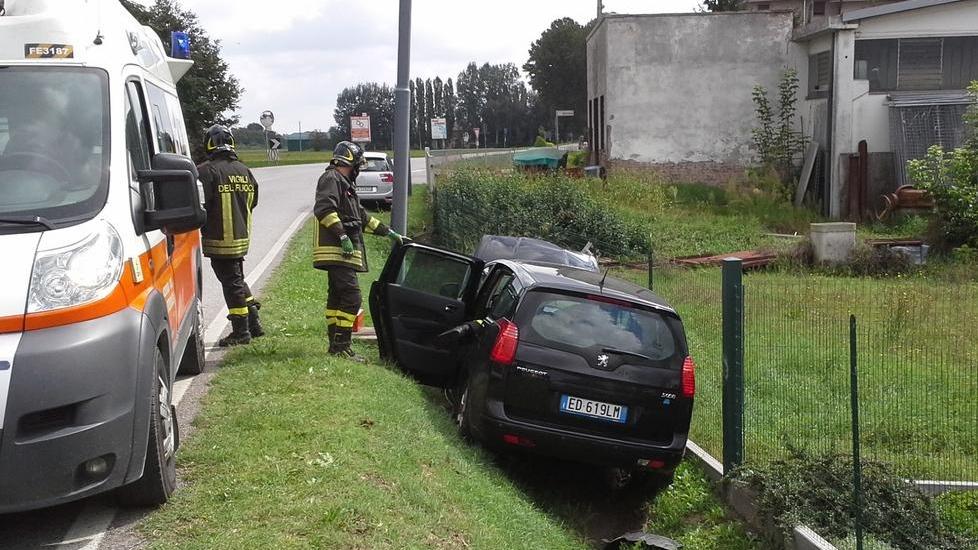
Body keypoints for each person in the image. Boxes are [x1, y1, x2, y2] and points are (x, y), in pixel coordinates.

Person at [313, 141, 404, 361]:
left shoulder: (343, 182)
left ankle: (335, 345)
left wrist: (388, 232)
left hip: (342, 251)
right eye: (359, 166)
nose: (359, 171)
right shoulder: (332, 179)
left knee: (337, 297)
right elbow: (324, 209)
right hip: (337, 249)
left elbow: (361, 219)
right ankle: (341, 346)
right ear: (350, 163)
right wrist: (343, 237)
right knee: (352, 297)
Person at [198, 124, 263, 347]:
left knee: (231, 283)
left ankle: (240, 331)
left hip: (218, 239)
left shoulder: (206, 171)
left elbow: (199, 205)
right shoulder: (245, 170)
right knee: (236, 279)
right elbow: (253, 202)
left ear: (209, 144)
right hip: (240, 239)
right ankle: (254, 323)